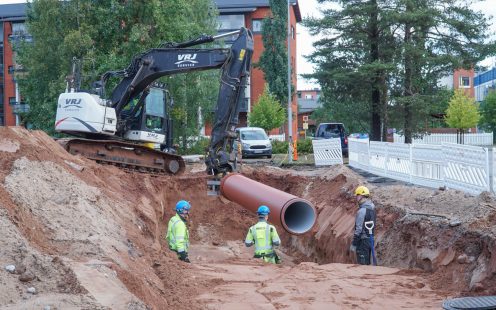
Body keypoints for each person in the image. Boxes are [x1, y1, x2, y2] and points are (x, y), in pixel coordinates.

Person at [350, 185, 376, 265]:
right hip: (370, 240)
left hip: (363, 241)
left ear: (361, 196)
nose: (356, 197)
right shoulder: (372, 208)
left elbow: (359, 229)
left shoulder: (362, 211)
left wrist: (354, 243)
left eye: (357, 195)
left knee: (362, 264)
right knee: (367, 262)